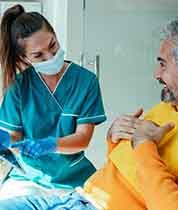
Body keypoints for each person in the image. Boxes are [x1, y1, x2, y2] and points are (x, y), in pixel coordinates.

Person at [1, 17, 178, 210]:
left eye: (163, 64)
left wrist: (144, 145)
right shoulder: (166, 107)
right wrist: (114, 138)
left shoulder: (84, 80)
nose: (156, 74)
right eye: (38, 55)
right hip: (79, 196)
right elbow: (124, 169)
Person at [0, 4, 106, 199]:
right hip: (28, 179)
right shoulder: (19, 86)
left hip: (74, 179)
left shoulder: (85, 81)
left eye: (52, 45)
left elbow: (83, 138)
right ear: (24, 58)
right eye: (38, 55)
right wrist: (5, 140)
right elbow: (14, 137)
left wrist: (50, 144)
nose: (51, 57)